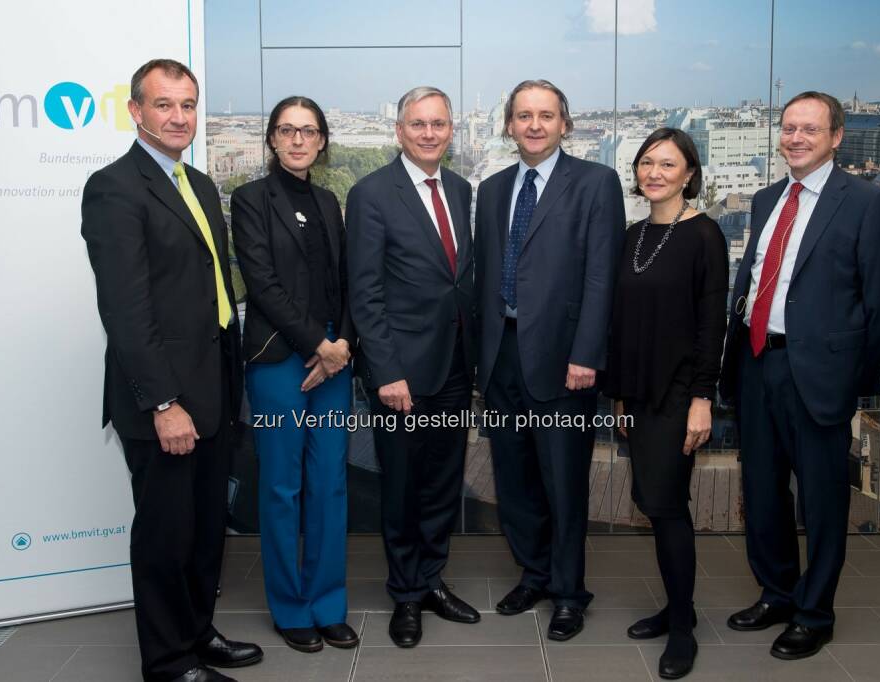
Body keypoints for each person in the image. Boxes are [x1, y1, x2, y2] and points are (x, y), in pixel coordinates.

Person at [81, 59, 262, 682]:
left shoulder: (200, 185)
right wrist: (164, 402)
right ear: (136, 111)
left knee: (205, 529)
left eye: (187, 104)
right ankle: (167, 662)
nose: (178, 116)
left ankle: (196, 633)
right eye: (164, 105)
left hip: (213, 389)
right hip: (165, 400)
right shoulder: (115, 188)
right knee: (164, 536)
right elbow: (126, 313)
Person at [719, 91, 880, 660]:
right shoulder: (765, 198)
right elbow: (756, 278)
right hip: (757, 363)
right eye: (788, 128)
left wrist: (848, 375)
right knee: (763, 491)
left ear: (836, 137)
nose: (795, 138)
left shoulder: (868, 202)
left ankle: (814, 612)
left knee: (822, 501)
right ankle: (777, 593)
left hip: (820, 375)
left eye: (809, 129)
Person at [474, 79, 624, 641]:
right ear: (508, 124)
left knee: (563, 483)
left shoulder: (595, 182)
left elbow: (601, 275)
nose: (533, 125)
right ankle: (534, 574)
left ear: (566, 123)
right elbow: (485, 280)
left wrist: (587, 353)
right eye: (522, 116)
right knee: (513, 481)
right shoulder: (490, 190)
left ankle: (568, 592)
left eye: (545, 115)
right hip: (501, 358)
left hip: (565, 362)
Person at [346, 86, 480, 647]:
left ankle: (431, 580)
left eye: (439, 124)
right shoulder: (371, 193)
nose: (429, 133)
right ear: (399, 130)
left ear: (451, 130)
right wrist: (386, 371)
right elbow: (365, 292)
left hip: (453, 367)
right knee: (401, 486)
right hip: (401, 371)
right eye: (418, 124)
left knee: (443, 483)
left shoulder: (459, 187)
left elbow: (458, 279)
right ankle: (405, 593)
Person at [230, 96, 358, 653]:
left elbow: (349, 280)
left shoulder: (331, 202)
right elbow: (262, 285)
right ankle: (290, 607)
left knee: (329, 482)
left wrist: (342, 344)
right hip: (281, 357)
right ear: (273, 140)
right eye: (287, 131)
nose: (299, 140)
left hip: (332, 354)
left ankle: (328, 602)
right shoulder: (250, 199)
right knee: (283, 487)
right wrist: (321, 345)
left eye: (309, 131)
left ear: (323, 140)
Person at [603, 127, 728, 679]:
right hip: (642, 391)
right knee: (654, 504)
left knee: (669, 506)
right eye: (646, 162)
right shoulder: (632, 236)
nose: (654, 172)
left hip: (680, 393)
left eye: (668, 164)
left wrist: (703, 399)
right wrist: (624, 398)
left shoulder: (705, 236)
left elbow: (711, 325)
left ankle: (683, 628)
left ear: (690, 174)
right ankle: (677, 607)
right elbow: (625, 325)